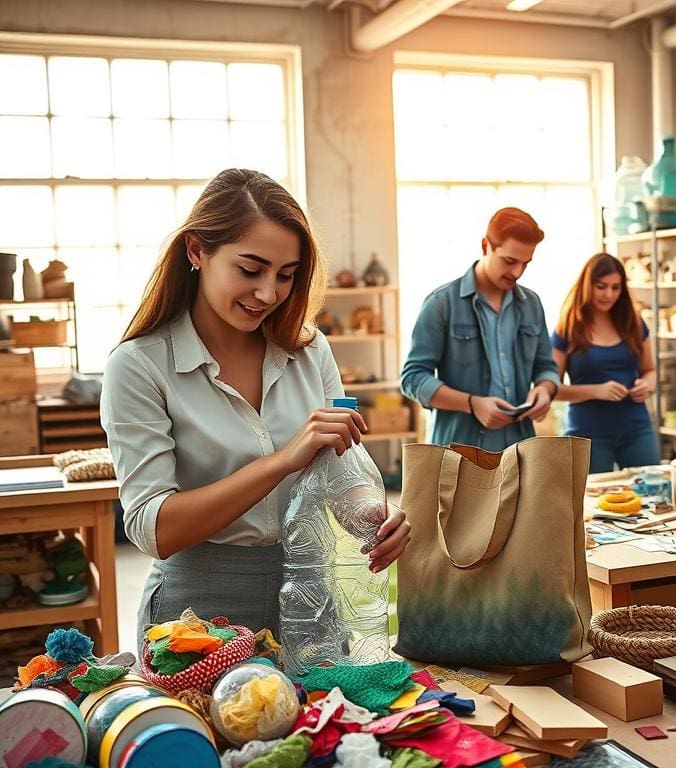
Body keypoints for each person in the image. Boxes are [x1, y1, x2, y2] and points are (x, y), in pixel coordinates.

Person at [101, 169, 410, 641]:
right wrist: (281, 462)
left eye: (286, 275)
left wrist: (374, 515)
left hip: (310, 601)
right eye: (250, 270)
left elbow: (341, 472)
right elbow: (152, 529)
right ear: (196, 251)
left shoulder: (310, 350)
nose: (268, 293)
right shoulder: (139, 366)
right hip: (196, 617)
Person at [401, 207, 560, 450]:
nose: (517, 272)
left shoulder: (532, 304)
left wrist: (544, 390)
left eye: (525, 263)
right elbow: (412, 378)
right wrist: (472, 403)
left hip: (520, 449)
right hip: (461, 451)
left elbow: (546, 367)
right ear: (486, 245)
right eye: (509, 261)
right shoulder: (441, 303)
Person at [551, 252, 659, 473]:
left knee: (654, 497)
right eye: (601, 286)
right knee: (590, 502)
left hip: (636, 428)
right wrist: (597, 391)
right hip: (587, 434)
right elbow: (552, 389)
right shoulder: (568, 328)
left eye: (615, 287)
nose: (609, 294)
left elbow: (650, 371)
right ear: (586, 285)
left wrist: (647, 385)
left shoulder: (633, 323)